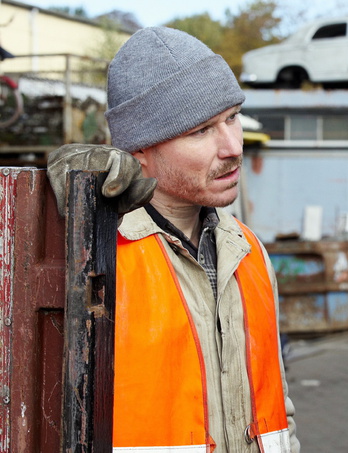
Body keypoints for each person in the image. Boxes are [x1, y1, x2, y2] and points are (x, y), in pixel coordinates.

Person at [47, 27, 299, 452]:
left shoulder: (249, 251)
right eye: (201, 130)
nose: (233, 146)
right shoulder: (93, 255)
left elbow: (279, 413)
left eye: (232, 116)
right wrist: (50, 217)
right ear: (140, 149)